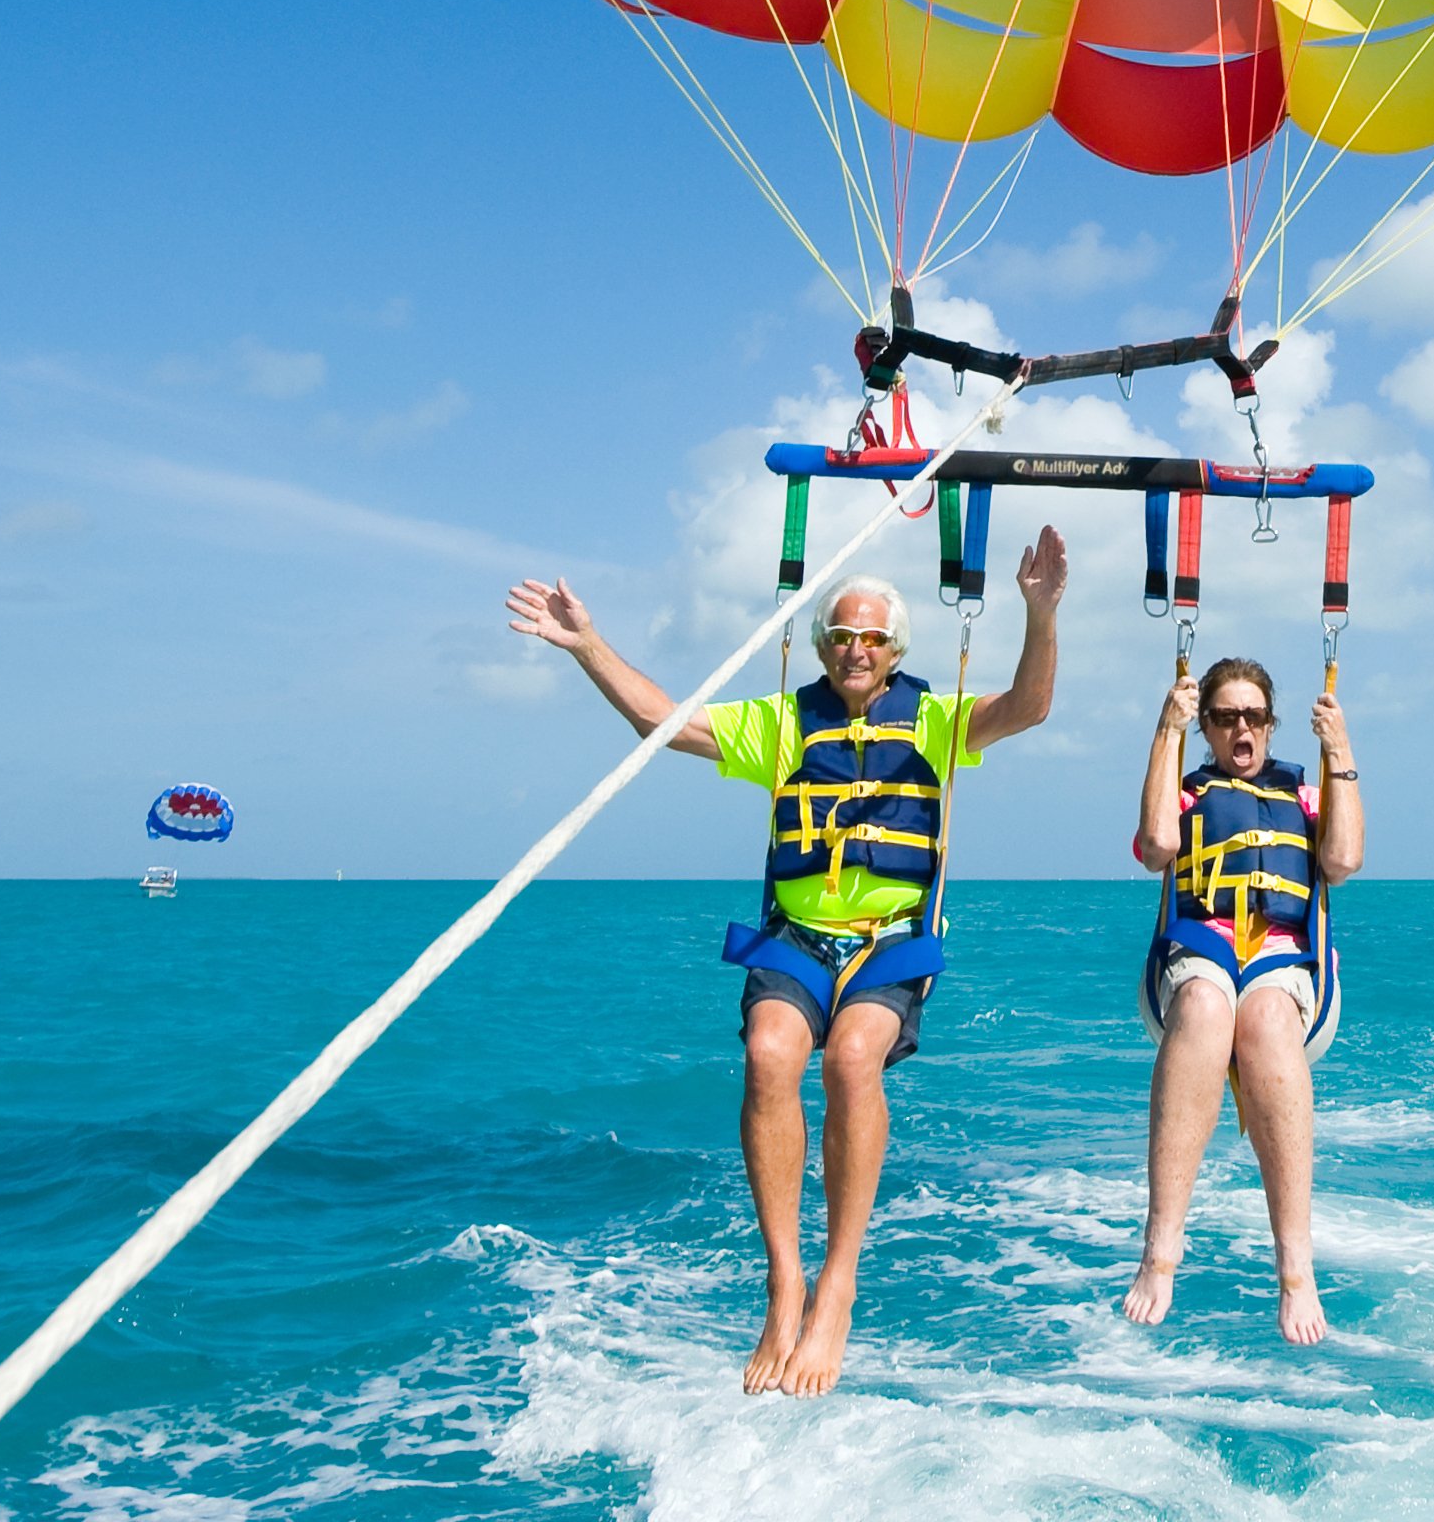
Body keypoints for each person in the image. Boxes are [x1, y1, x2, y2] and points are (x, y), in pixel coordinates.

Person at [505, 529, 1064, 1395]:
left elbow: (1027, 707)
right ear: (822, 646)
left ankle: (837, 1283)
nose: (856, 649)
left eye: (873, 637)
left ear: (897, 649)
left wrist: (1039, 612)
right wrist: (588, 646)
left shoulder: (936, 715)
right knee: (770, 1056)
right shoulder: (782, 721)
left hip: (890, 939)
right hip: (796, 936)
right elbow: (664, 721)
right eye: (841, 635)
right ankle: (785, 1279)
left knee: (849, 1060)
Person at [1122, 652, 1362, 1342]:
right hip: (1196, 955)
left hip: (1287, 964)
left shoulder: (1307, 793)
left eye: (1254, 717)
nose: (1241, 731)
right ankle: (1161, 1249)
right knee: (1206, 1005)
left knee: (1261, 1016)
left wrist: (1339, 750)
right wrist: (1164, 734)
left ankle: (1295, 1265)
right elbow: (1157, 850)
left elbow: (1342, 862)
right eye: (1224, 719)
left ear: (1273, 723)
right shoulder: (1189, 790)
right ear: (1207, 727)